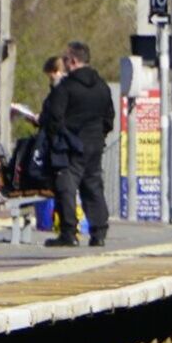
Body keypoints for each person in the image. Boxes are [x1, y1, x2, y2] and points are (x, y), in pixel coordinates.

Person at [36, 40, 112, 247]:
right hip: (95, 145)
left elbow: (54, 118)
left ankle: (69, 233)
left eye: (67, 59)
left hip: (70, 146)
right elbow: (109, 118)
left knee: (66, 187)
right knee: (93, 186)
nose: (65, 63)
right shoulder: (102, 87)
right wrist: (98, 136)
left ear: (74, 60)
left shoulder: (66, 88)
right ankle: (99, 232)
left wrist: (59, 138)